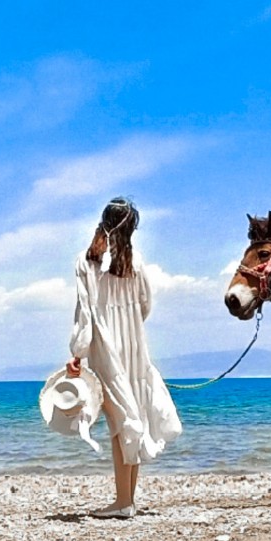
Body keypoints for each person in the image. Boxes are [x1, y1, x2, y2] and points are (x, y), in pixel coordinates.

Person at [66, 197, 181, 519]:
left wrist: (78, 352)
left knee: (120, 422)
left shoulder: (87, 264)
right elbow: (145, 306)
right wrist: (129, 327)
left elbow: (85, 314)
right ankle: (127, 499)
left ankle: (123, 502)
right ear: (133, 229)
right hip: (134, 345)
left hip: (106, 348)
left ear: (102, 223)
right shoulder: (137, 262)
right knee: (134, 417)